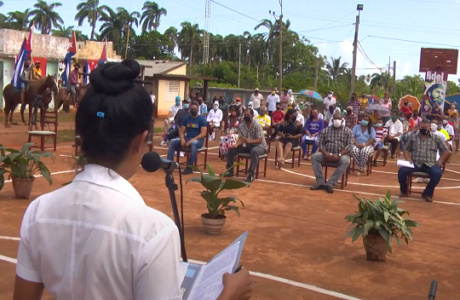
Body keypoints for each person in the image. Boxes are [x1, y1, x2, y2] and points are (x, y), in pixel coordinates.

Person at [12, 59, 253, 300]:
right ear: (142, 140)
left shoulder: (37, 212)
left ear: (80, 137)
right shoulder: (153, 231)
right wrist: (228, 296)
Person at [398, 120, 450, 202]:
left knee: (437, 173)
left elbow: (447, 151)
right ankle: (404, 191)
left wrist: (440, 161)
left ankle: (427, 193)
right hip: (415, 163)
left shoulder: (436, 138)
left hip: (430, 164)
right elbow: (406, 149)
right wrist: (408, 158)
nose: (423, 129)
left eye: (425, 128)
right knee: (402, 171)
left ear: (429, 128)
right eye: (422, 127)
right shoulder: (413, 137)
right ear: (419, 127)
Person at [310, 112, 353, 193]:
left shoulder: (348, 131)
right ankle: (320, 182)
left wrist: (339, 154)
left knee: (346, 161)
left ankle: (330, 183)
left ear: (342, 120)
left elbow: (350, 146)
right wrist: (325, 153)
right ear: (332, 120)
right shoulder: (325, 130)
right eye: (335, 119)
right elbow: (321, 144)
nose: (337, 120)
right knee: (314, 157)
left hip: (341, 155)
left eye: (339, 119)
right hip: (327, 153)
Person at [225, 108, 268, 182]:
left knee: (254, 151)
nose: (246, 116)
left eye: (248, 115)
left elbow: (260, 140)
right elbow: (241, 138)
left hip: (260, 146)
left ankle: (251, 174)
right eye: (245, 115)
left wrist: (250, 141)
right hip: (248, 145)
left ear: (252, 115)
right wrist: (236, 144)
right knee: (231, 149)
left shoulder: (257, 125)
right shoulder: (242, 125)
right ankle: (230, 171)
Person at [167, 102, 207, 175]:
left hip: (198, 141)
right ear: (189, 109)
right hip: (187, 138)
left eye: (195, 108)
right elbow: (182, 131)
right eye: (191, 108)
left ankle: (189, 167)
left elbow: (203, 133)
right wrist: (182, 139)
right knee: (172, 141)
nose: (193, 110)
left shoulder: (202, 119)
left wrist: (191, 140)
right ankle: (170, 164)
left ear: (197, 109)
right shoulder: (186, 119)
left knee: (193, 144)